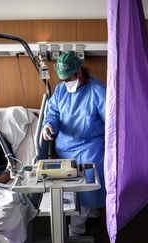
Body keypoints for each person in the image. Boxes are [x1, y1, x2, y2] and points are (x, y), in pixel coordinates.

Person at [42, 51, 106, 237]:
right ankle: (91, 212)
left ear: (79, 72)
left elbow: (112, 121)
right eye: (63, 79)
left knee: (87, 190)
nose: (65, 83)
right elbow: (53, 111)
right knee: (70, 190)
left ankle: (75, 231)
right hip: (65, 146)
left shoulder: (98, 91)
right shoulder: (61, 89)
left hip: (90, 148)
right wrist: (48, 125)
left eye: (68, 78)